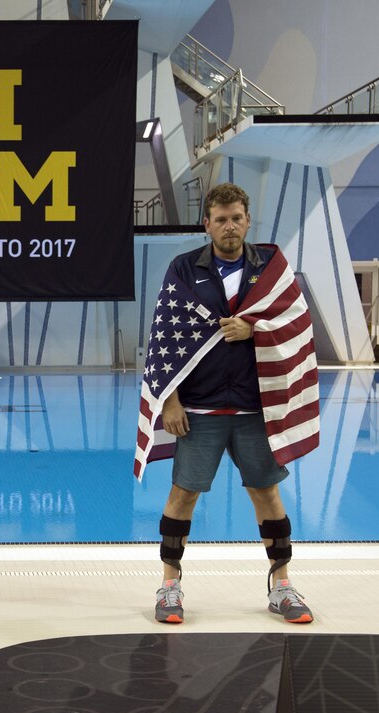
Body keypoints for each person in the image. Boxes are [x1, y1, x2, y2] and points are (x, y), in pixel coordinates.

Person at [133, 182, 320, 625]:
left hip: (255, 409)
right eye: (221, 219)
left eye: (237, 218)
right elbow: (164, 342)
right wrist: (171, 402)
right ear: (207, 224)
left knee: (267, 494)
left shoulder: (272, 267)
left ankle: (282, 585)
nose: (230, 226)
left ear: (248, 220)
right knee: (183, 495)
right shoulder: (183, 269)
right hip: (200, 408)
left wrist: (254, 331)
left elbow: (297, 322)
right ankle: (169, 585)